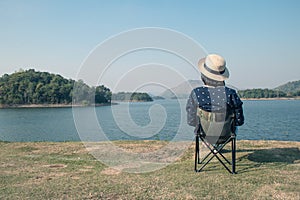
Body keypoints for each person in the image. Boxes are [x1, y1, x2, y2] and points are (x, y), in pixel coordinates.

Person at [186, 54, 244, 135]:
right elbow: (239, 121)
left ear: (203, 76)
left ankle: (210, 145)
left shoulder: (196, 93)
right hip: (227, 135)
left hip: (204, 134)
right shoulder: (231, 93)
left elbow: (191, 121)